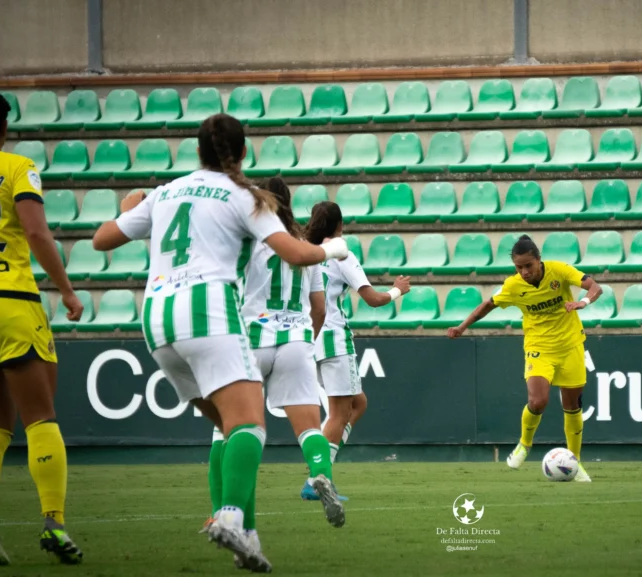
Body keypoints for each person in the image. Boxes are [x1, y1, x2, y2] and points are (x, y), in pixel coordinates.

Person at [92, 113, 348, 571]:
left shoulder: (167, 191)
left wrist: (131, 204)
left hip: (157, 321)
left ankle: (246, 536)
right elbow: (296, 252)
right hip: (209, 314)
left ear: (196, 152)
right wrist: (333, 250)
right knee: (250, 426)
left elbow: (101, 239)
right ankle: (230, 515)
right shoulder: (246, 196)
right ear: (243, 153)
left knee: (230, 429)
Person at [0, 81, 84, 566]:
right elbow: (34, 230)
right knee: (40, 418)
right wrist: (67, 290)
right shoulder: (18, 168)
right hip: (8, 300)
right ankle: (53, 523)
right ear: (4, 129)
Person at [198, 178, 343, 542]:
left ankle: (221, 514)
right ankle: (320, 473)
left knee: (225, 430)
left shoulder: (249, 243)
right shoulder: (304, 247)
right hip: (295, 340)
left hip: (251, 339)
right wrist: (303, 337)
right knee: (310, 427)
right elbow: (319, 308)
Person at [447, 235, 601, 482]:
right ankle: (524, 445)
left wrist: (582, 302)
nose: (524, 271)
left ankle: (575, 461)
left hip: (571, 344)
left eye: (528, 265)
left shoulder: (559, 271)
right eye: (519, 267)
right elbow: (488, 305)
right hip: (539, 347)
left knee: (572, 407)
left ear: (539, 260)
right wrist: (462, 327)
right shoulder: (513, 285)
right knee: (538, 401)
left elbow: (595, 287)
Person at [305, 201, 409, 490]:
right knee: (339, 413)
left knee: (358, 403)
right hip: (333, 339)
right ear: (339, 226)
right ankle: (317, 477)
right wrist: (397, 290)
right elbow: (373, 299)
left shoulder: (305, 251)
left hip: (308, 338)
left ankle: (323, 465)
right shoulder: (341, 254)